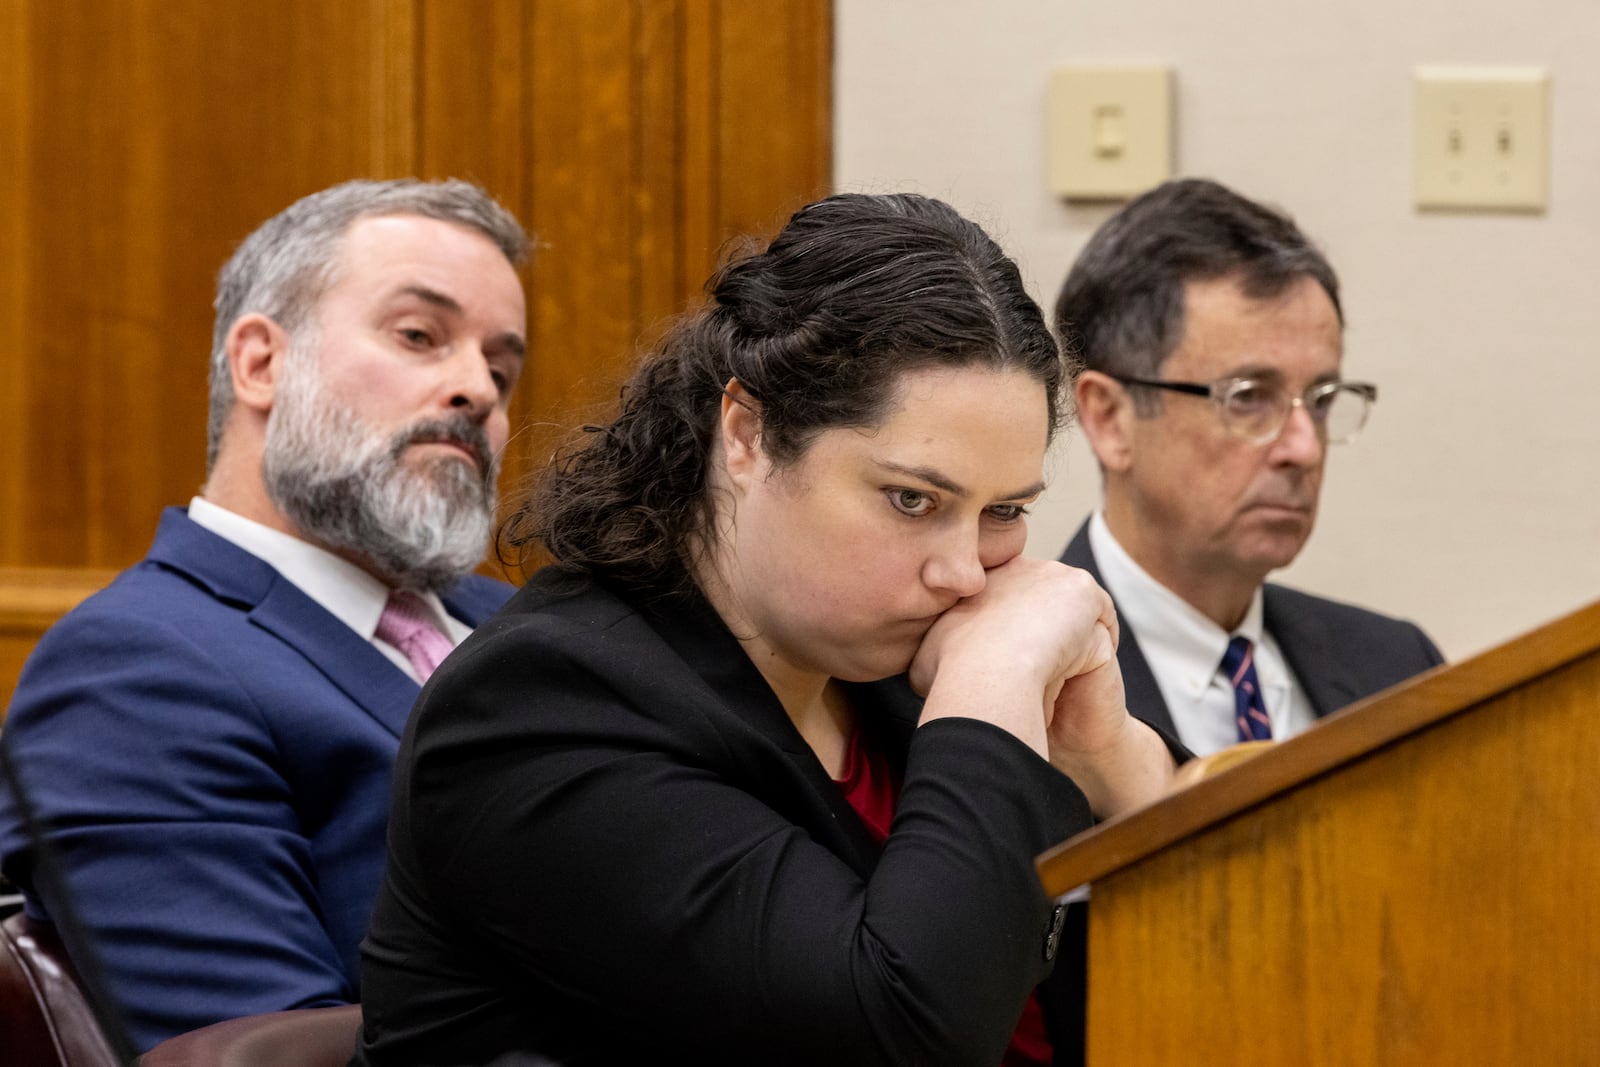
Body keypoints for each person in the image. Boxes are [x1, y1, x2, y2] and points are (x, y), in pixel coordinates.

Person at [354, 193, 1184, 1067]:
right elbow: (901, 1035)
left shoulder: (882, 670)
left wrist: (1107, 758)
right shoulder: (538, 709)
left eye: (1004, 510)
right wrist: (995, 684)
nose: (966, 571)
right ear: (747, 432)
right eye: (912, 499)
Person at [0, 178, 531, 1051]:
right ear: (260, 362)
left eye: (501, 366)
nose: (477, 388)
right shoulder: (130, 671)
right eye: (419, 336)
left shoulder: (537, 624)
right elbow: (254, 1049)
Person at [1056, 177, 1443, 756]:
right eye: (1247, 397)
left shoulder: (1396, 665)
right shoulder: (1029, 687)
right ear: (1110, 419)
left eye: (1320, 400)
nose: (1305, 449)